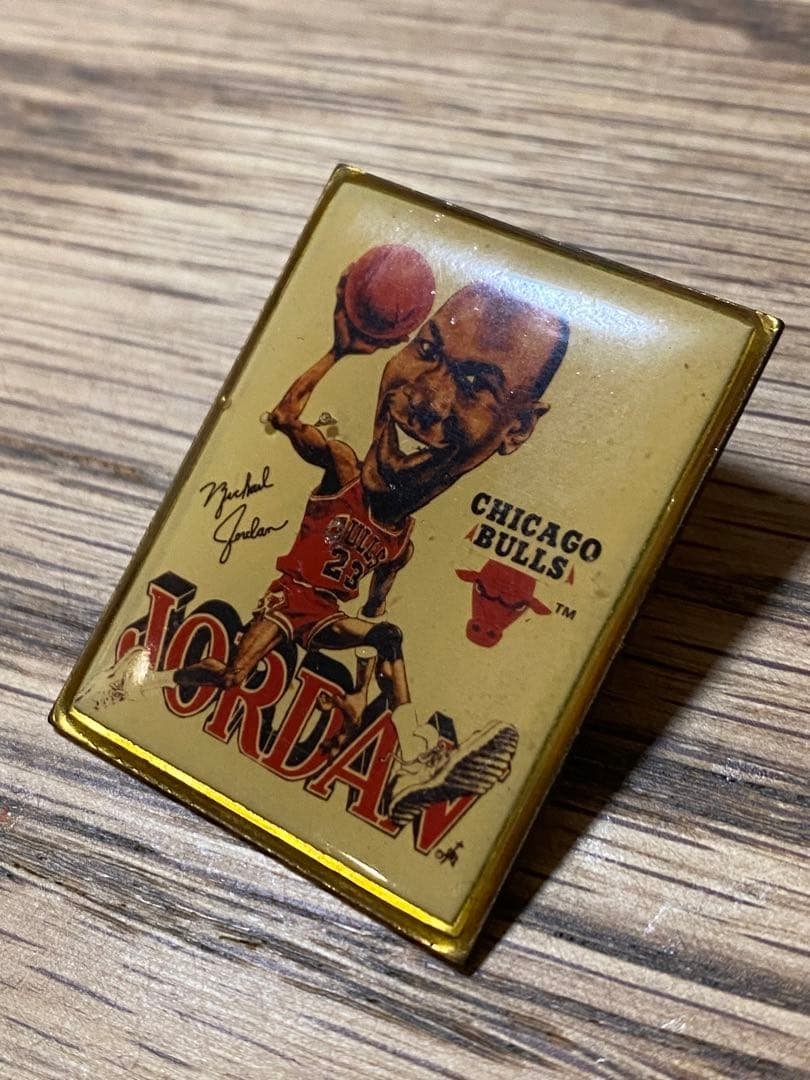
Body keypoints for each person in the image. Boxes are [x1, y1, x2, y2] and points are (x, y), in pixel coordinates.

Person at [109, 264, 570, 819]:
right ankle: (142, 680)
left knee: (388, 635)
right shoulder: (343, 471)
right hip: (286, 605)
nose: (427, 399)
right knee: (231, 676)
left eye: (477, 386)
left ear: (518, 429)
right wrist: (337, 351)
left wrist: (358, 694)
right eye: (426, 350)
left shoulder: (400, 543)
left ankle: (413, 756)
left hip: (323, 617)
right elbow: (286, 416)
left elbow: (374, 620)